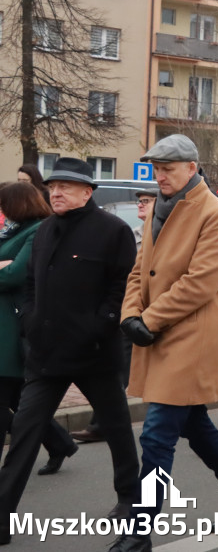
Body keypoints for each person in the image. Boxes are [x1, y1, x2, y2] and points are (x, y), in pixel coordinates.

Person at [112, 136, 218, 551]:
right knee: (194, 425)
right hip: (156, 333)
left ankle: (139, 532)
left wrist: (150, 319)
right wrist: (129, 315)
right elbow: (139, 270)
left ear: (191, 168)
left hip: (189, 336)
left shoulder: (216, 213)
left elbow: (201, 282)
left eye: (168, 168)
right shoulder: (157, 208)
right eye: (156, 168)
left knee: (157, 435)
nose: (159, 176)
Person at [0, 161, 139, 547]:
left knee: (116, 429)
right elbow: (30, 284)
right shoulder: (45, 230)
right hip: (46, 354)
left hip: (95, 353)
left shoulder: (114, 231)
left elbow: (121, 287)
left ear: (87, 192)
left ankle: (129, 499)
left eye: (65, 186)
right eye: (53, 186)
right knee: (25, 432)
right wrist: (30, 320)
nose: (56, 192)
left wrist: (99, 326)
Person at [0, 184, 79, 475]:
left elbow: (15, 274)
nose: (2, 211)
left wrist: (5, 267)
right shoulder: (13, 231)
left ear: (18, 204)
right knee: (20, 399)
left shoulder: (36, 231)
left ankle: (54, 445)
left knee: (12, 395)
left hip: (13, 325)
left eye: (5, 204)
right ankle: (59, 443)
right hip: (6, 322)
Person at [72, 185, 157, 445]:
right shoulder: (133, 233)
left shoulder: (161, 234)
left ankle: (107, 425)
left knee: (123, 371)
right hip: (128, 311)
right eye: (139, 200)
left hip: (149, 312)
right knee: (118, 371)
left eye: (146, 200)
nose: (140, 204)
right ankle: (104, 424)